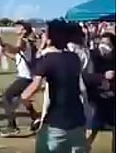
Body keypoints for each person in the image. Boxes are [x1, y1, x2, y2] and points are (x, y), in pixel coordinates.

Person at [21, 20, 88, 153]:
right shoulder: (74, 58)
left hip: (57, 122)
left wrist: (25, 101)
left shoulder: (48, 60)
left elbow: (31, 89)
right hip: (78, 119)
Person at [0, 21, 41, 137]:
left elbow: (17, 49)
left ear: (24, 30)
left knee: (7, 96)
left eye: (18, 27)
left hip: (25, 77)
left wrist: (4, 46)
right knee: (23, 99)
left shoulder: (23, 41)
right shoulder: (27, 41)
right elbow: (17, 58)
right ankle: (36, 118)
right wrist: (4, 53)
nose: (15, 28)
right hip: (28, 76)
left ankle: (12, 126)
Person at [85, 32, 115, 151]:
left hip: (113, 101)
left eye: (107, 44)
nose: (103, 46)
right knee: (92, 128)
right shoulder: (93, 57)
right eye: (101, 43)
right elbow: (87, 76)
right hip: (96, 100)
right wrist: (102, 76)